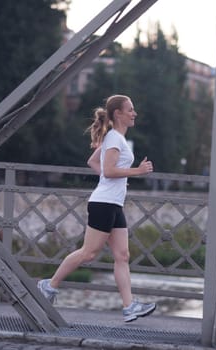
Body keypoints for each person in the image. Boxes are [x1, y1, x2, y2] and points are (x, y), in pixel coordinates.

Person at [38, 95, 156, 322]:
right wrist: (136, 172)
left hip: (114, 204)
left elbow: (95, 163)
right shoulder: (114, 138)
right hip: (103, 203)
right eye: (130, 110)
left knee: (122, 255)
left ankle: (129, 307)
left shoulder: (116, 138)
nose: (135, 113)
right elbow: (110, 170)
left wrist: (112, 179)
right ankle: (48, 286)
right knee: (89, 253)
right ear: (118, 114)